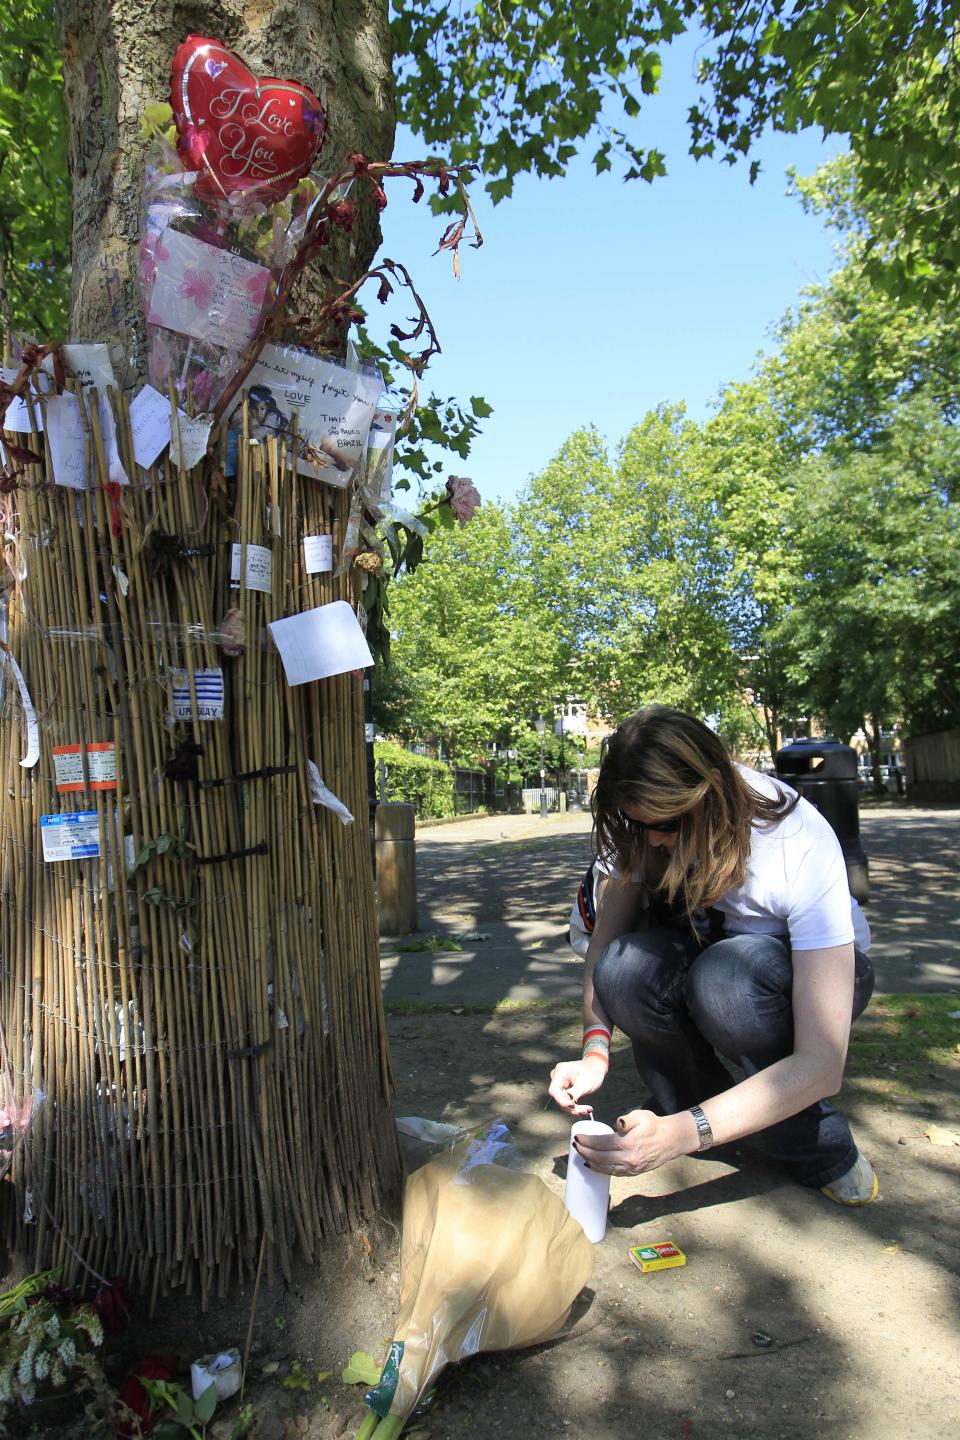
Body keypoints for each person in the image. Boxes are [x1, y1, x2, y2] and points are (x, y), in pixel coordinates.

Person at [549, 705, 878, 1206]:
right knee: (624, 968)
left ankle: (816, 1146)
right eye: (641, 826)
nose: (654, 838)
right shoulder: (643, 823)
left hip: (820, 976)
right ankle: (700, 1105)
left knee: (726, 982)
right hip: (710, 960)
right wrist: (595, 1050)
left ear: (712, 794)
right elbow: (602, 948)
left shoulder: (794, 838)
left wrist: (682, 1135)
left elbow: (822, 1060)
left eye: (668, 823)